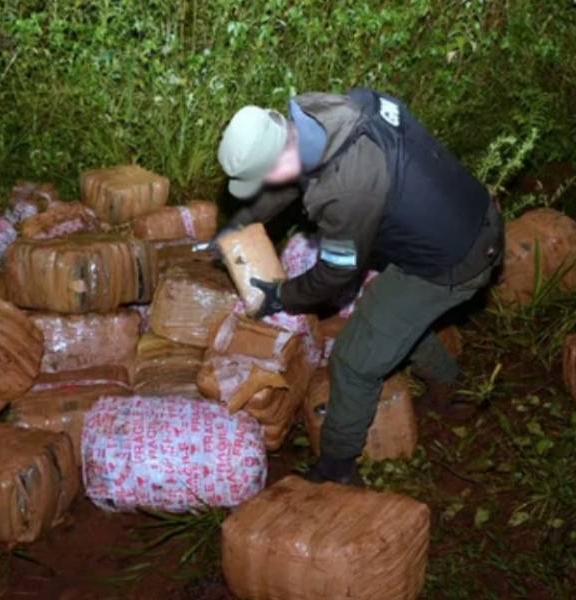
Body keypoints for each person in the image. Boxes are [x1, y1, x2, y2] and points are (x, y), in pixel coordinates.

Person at [215, 88, 503, 485]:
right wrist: (237, 227)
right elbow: (290, 181)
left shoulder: (347, 191)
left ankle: (337, 467)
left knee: (353, 361)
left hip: (454, 260)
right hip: (465, 215)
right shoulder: (323, 113)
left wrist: (280, 295)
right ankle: (451, 386)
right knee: (387, 312)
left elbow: (335, 275)